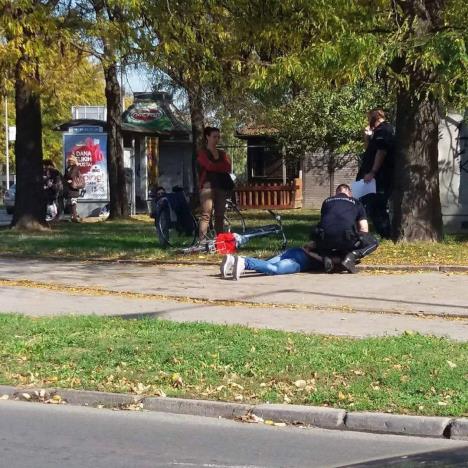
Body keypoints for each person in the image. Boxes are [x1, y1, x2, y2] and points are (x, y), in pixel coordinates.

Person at [313, 183, 379, 273]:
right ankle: (351, 257)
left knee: (318, 239)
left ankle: (327, 256)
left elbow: (324, 223)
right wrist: (358, 237)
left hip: (325, 240)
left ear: (336, 193)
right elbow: (364, 229)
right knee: (374, 242)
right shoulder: (356, 202)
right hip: (346, 238)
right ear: (349, 193)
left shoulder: (326, 201)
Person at [356, 109, 395, 239]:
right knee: (364, 203)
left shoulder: (384, 130)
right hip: (371, 175)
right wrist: (367, 138)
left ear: (375, 118)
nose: (368, 121)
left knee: (377, 206)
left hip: (378, 177)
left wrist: (373, 172)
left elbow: (381, 152)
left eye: (370, 118)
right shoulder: (377, 132)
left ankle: (386, 235)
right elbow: (370, 151)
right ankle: (361, 232)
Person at [197, 126, 233, 240]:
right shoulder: (202, 153)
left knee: (220, 215)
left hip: (221, 186)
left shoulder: (222, 154)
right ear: (207, 137)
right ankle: (202, 241)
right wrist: (218, 167)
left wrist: (215, 167)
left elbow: (227, 167)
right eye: (214, 136)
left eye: (218, 137)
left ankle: (220, 241)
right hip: (207, 188)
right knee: (206, 215)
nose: (217, 139)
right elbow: (208, 165)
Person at [221, 244, 325, 280]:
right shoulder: (335, 254)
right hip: (299, 263)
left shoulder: (324, 238)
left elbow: (306, 246)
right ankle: (244, 262)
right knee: (274, 269)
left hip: (292, 252)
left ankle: (233, 260)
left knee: (264, 266)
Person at [63, 155, 82, 223]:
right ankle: (72, 216)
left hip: (74, 188)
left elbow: (72, 175)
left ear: (74, 161)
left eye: (71, 161)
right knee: (70, 203)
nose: (70, 162)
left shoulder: (75, 167)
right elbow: (64, 178)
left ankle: (74, 217)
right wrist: (66, 181)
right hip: (68, 188)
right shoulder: (67, 168)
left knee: (73, 202)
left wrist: (69, 179)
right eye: (69, 161)